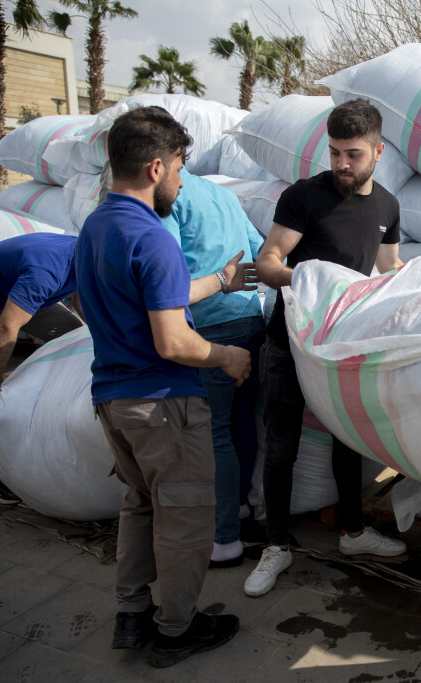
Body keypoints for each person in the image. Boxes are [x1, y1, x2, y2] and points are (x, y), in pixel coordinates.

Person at [74, 105, 254, 668]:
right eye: (179, 167)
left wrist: (221, 280)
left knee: (141, 506)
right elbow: (173, 340)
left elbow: (141, 299)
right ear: (156, 167)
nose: (181, 179)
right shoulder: (153, 237)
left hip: (113, 400)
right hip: (163, 406)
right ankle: (176, 629)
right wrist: (226, 355)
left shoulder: (96, 227)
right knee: (185, 519)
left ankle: (132, 613)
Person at [244, 98, 406, 598]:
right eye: (335, 152)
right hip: (289, 342)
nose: (341, 163)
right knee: (282, 447)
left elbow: (389, 268)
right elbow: (268, 261)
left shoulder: (387, 206)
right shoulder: (304, 196)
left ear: (378, 152)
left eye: (353, 154)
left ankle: (353, 533)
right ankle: (276, 545)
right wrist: (314, 279)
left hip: (343, 345)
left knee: (348, 443)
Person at [161, 168, 266, 569]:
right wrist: (240, 284)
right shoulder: (221, 194)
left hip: (209, 328)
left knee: (214, 431)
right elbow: (258, 257)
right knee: (239, 419)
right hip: (247, 319)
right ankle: (237, 505)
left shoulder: (169, 198)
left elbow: (165, 279)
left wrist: (218, 283)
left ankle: (224, 538)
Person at [0, 232, 85, 504]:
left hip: (16, 293)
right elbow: (7, 327)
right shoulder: (46, 271)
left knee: (76, 339)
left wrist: (93, 338)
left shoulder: (89, 255)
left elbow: (81, 299)